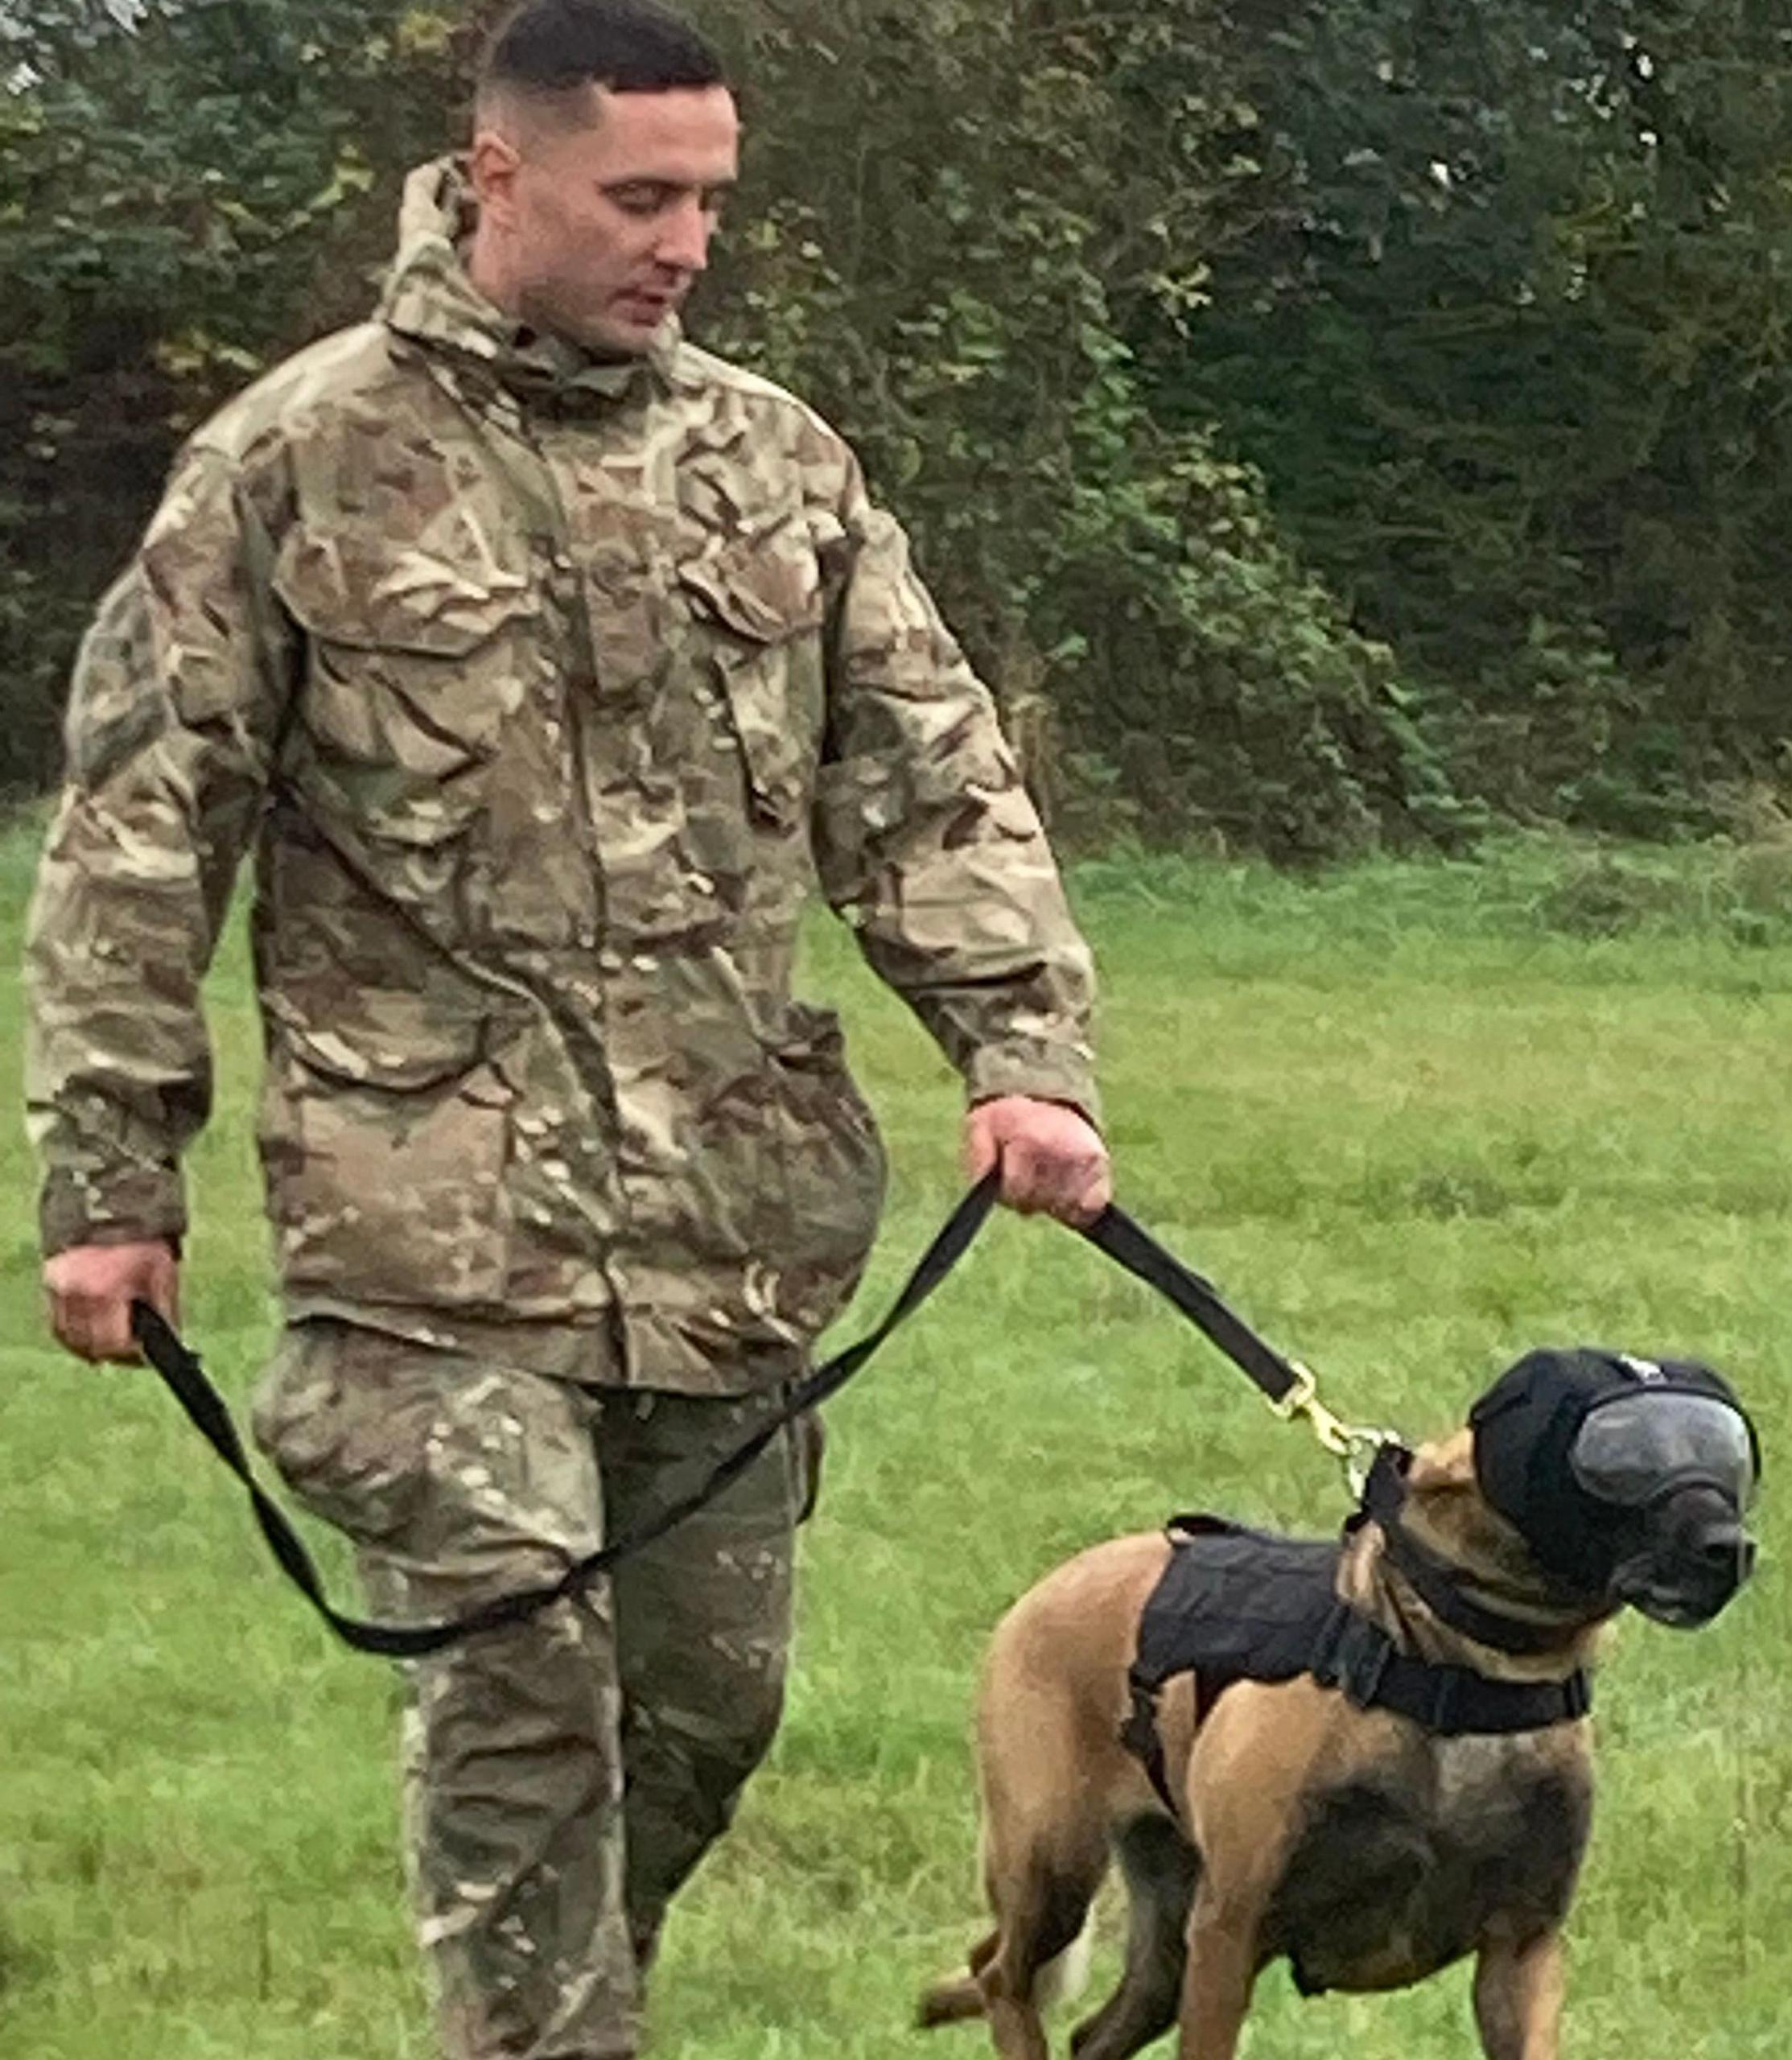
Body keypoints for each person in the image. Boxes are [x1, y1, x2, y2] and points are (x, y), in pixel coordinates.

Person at [23, 2, 1109, 2054]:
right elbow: (135, 842)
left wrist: (1020, 1052)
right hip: (419, 1232)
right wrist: (110, 1180)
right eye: (640, 195)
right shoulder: (294, 463)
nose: (684, 240)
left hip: (727, 1218)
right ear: (496, 172)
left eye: (709, 198)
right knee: (526, 1704)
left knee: (698, 1712)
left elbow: (929, 776)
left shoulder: (775, 463)